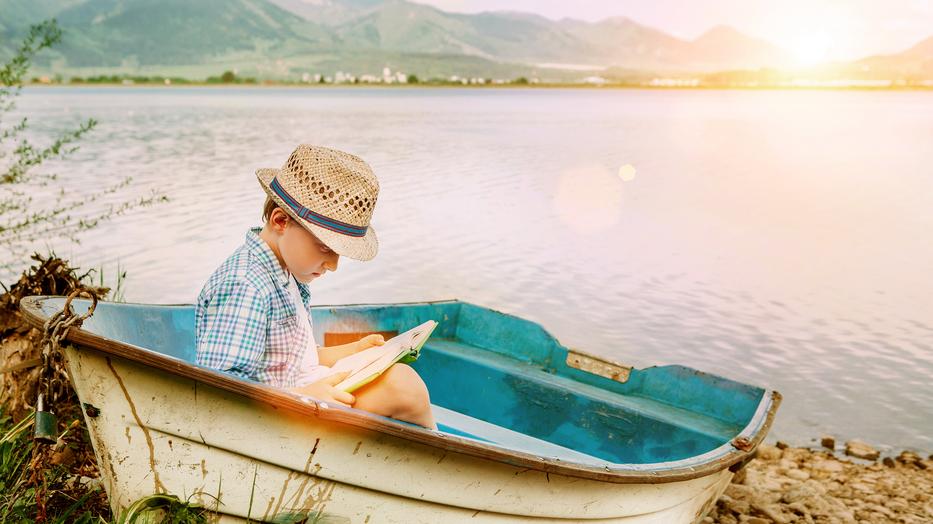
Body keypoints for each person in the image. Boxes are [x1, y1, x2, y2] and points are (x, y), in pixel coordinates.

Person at [195, 144, 435, 428]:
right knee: (404, 388)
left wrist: (354, 350)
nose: (333, 265)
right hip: (273, 417)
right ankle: (438, 452)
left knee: (400, 378)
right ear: (281, 221)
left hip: (300, 395)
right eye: (325, 248)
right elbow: (219, 391)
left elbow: (294, 360)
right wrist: (302, 397)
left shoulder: (287, 274)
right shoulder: (245, 285)